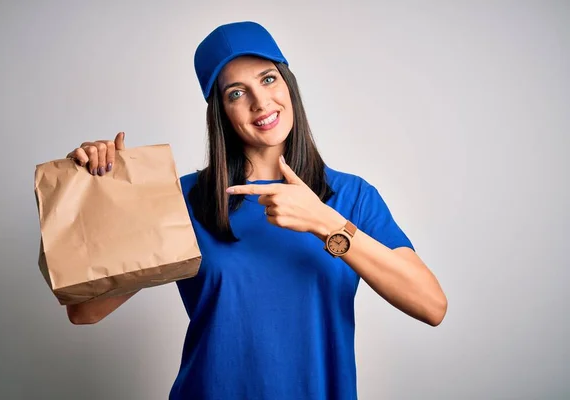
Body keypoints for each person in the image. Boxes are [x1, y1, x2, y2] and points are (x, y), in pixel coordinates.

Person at [65, 21, 447, 400]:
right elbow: (85, 311)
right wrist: (98, 191)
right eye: (236, 93)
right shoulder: (186, 200)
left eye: (267, 80)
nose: (260, 102)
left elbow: (431, 305)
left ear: (287, 84)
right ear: (221, 112)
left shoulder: (352, 197)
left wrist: (326, 224)